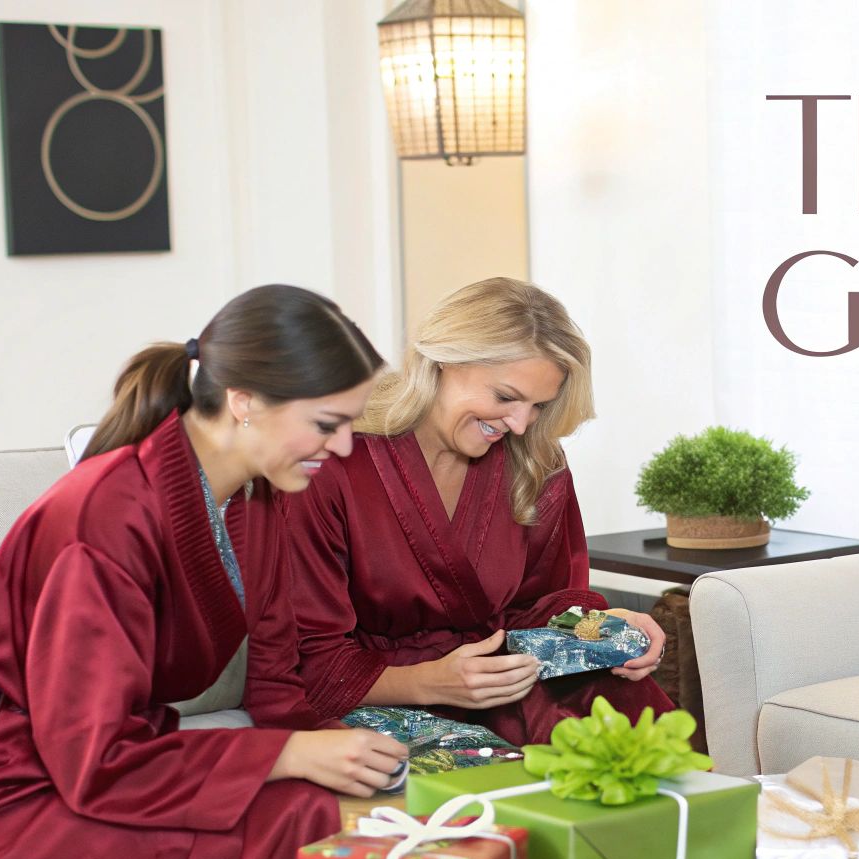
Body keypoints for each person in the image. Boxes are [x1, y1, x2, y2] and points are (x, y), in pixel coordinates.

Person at [0, 285, 409, 859]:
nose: (344, 447)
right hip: (2, 787)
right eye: (327, 423)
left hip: (96, 764)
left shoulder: (257, 494)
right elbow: (94, 759)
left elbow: (276, 667)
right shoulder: (104, 518)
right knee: (267, 836)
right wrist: (281, 756)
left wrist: (329, 750)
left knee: (318, 812)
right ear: (245, 399)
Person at [285, 277, 672, 744]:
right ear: (443, 362)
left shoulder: (535, 462)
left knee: (634, 720)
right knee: (524, 777)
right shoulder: (332, 462)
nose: (520, 423)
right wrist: (432, 680)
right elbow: (309, 659)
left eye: (538, 405)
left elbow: (544, 605)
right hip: (378, 697)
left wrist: (606, 628)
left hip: (503, 676)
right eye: (506, 397)